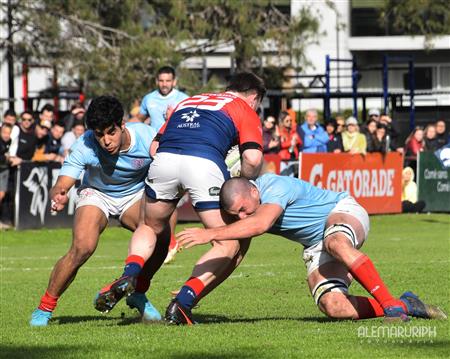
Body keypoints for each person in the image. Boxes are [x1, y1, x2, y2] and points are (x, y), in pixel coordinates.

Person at [95, 72, 266, 325]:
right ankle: (183, 303)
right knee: (228, 244)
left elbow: (154, 148)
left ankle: (130, 273)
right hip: (204, 164)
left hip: (164, 160)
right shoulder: (244, 108)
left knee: (149, 226)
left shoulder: (188, 101)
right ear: (253, 97)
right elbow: (252, 159)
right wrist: (242, 181)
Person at [177, 175, 447, 322]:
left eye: (243, 209)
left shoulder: (274, 186)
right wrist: (195, 290)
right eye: (237, 215)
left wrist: (209, 233)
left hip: (343, 212)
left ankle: (392, 308)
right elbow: (233, 256)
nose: (242, 217)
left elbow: (259, 224)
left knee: (335, 241)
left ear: (253, 192)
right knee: (334, 306)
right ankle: (407, 304)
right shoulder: (250, 212)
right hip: (316, 245)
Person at [29, 96, 166, 326]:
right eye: (99, 134)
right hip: (97, 193)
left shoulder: (146, 136)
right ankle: (45, 307)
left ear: (123, 125)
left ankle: (137, 293)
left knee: (161, 237)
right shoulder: (85, 144)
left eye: (111, 132)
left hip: (133, 195)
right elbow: (63, 182)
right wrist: (60, 193)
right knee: (82, 248)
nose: (105, 141)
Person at [138, 66, 189, 262]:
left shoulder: (183, 98)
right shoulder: (149, 98)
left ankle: (170, 240)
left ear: (174, 81)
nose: (164, 84)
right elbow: (141, 119)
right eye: (161, 80)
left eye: (168, 80)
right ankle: (159, 240)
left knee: (168, 196)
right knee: (153, 197)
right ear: (156, 81)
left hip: (175, 149)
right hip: (153, 150)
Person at [0, 123, 12, 229]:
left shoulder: (9, 141)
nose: (6, 135)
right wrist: (6, 158)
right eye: (4, 132)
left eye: (8, 133)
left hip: (4, 170)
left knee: (1, 195)